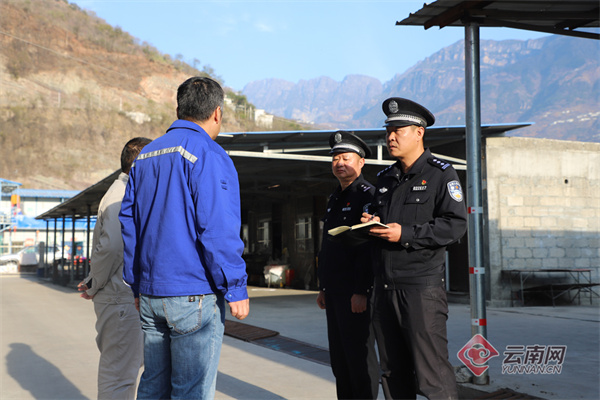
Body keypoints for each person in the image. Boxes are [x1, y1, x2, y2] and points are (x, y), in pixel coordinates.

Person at [119, 76, 250, 400]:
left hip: (151, 294)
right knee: (190, 391)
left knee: (153, 387)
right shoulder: (208, 154)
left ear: (178, 110)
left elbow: (130, 225)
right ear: (217, 113)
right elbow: (217, 228)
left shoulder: (145, 156)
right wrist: (235, 286)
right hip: (193, 294)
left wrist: (136, 284)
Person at [361, 97, 467, 400]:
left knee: (432, 374)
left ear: (419, 132)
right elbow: (380, 219)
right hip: (384, 289)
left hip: (421, 290)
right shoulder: (385, 178)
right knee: (392, 373)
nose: (390, 137)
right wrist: (371, 222)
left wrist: (404, 234)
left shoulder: (441, 174)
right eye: (388, 131)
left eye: (398, 130)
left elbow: (454, 225)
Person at [78, 136, 152, 399]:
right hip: (120, 298)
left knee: (124, 372)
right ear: (140, 164)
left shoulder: (126, 192)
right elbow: (111, 247)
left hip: (121, 298)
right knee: (119, 376)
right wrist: (94, 283)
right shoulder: (120, 196)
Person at [316, 131, 380, 399]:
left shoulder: (368, 196)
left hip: (355, 291)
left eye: (346, 158)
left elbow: (367, 248)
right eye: (335, 158)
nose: (339, 163)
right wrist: (323, 287)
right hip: (334, 291)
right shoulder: (335, 197)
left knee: (358, 357)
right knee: (340, 359)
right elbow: (328, 246)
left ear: (361, 162)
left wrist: (361, 290)